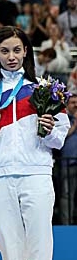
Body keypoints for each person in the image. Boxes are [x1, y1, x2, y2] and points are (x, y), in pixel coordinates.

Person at [0, 26, 70, 260]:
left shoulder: (44, 88)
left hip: (36, 172)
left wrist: (48, 131)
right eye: (4, 51)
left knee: (40, 242)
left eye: (16, 50)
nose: (11, 57)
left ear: (26, 51)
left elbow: (59, 138)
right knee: (8, 245)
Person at [59, 93, 77, 225]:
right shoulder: (62, 119)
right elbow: (60, 138)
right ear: (67, 105)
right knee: (66, 196)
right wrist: (75, 124)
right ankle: (67, 224)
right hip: (67, 164)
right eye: (73, 102)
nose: (76, 105)